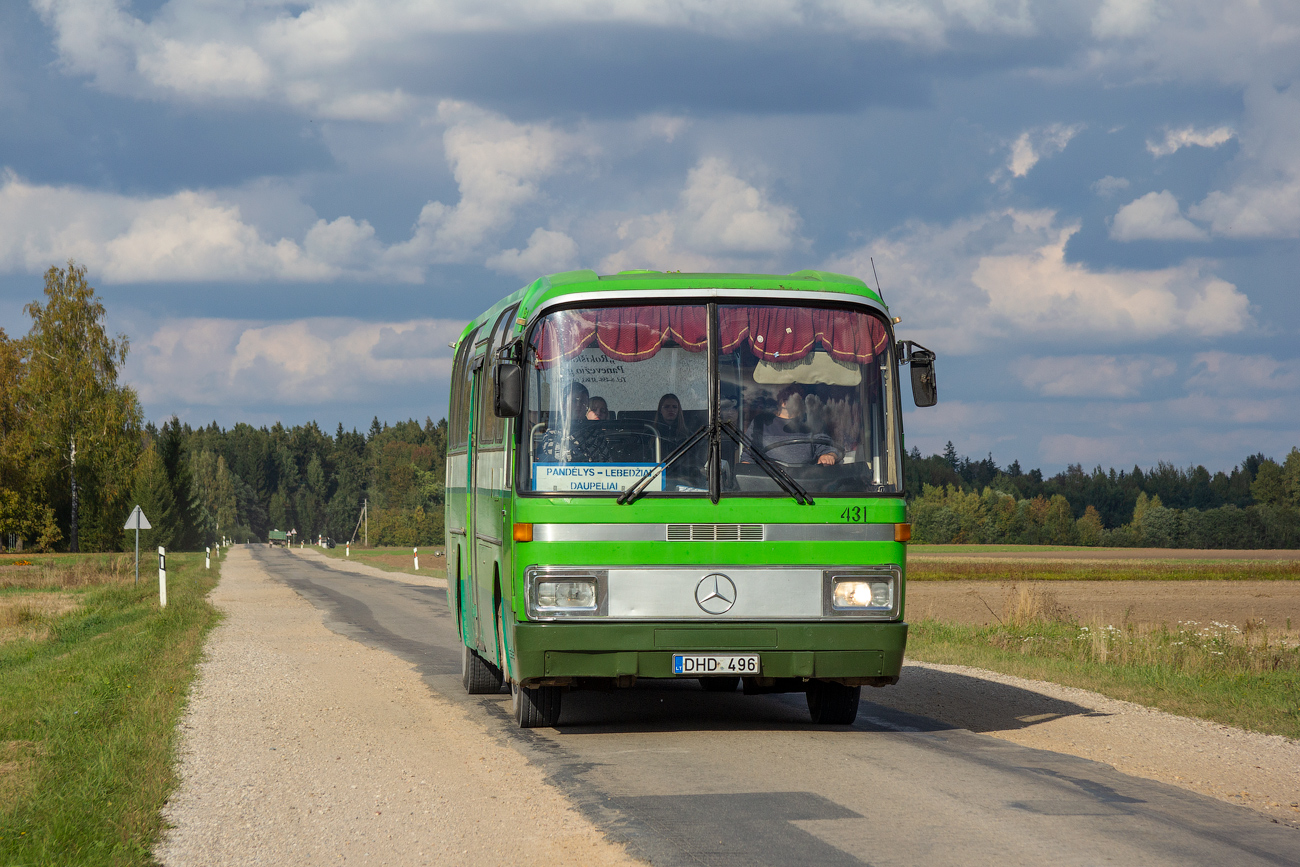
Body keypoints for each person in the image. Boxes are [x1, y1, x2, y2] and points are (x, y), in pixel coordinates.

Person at [743, 384, 838, 465]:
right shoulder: (761, 422)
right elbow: (748, 456)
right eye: (784, 395)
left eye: (791, 395)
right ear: (778, 398)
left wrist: (828, 456)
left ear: (802, 400)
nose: (786, 400)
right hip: (768, 479)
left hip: (804, 479)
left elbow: (827, 448)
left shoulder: (812, 422)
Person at [535, 382, 611, 463]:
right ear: (564, 404)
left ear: (587, 406)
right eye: (574, 401)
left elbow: (607, 464)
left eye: (582, 401)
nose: (578, 405)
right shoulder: (553, 431)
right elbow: (553, 456)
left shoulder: (597, 434)